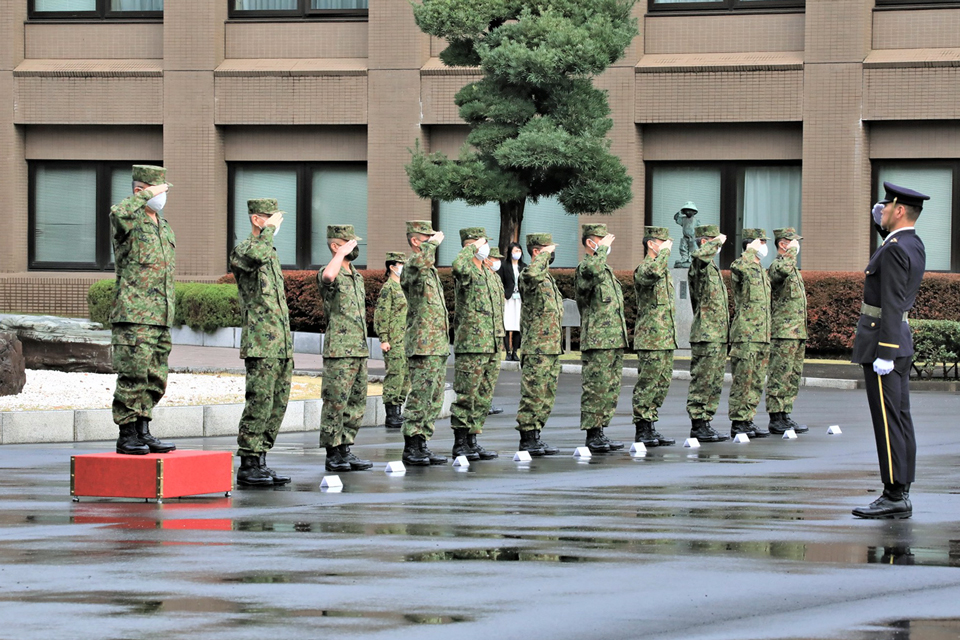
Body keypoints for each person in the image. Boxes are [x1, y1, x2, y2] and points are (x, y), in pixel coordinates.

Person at [851, 182, 928, 519]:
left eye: (885, 207)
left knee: (887, 420)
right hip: (899, 339)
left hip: (885, 341)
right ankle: (902, 486)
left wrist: (884, 351)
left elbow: (893, 301)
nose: (879, 210)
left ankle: (894, 493)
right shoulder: (911, 242)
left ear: (899, 210)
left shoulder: (895, 247)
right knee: (900, 418)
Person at [109, 164, 177, 456]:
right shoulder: (129, 219)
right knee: (133, 375)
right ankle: (127, 434)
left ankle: (143, 430)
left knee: (154, 377)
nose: (163, 197)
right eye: (159, 191)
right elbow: (117, 213)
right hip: (134, 314)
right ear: (141, 191)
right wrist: (141, 196)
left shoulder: (163, 225)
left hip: (160, 316)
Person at [230, 198, 293, 486]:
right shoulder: (245, 250)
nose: (276, 224)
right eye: (271, 218)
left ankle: (262, 459)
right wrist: (267, 232)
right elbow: (255, 255)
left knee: (277, 403)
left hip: (279, 343)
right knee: (259, 400)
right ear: (257, 220)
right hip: (260, 342)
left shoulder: (270, 253)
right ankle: (248, 462)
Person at [317, 225, 373, 473]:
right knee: (335, 403)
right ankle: (333, 453)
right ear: (335, 245)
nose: (355, 247)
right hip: (339, 350)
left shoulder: (356, 275)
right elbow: (328, 277)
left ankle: (345, 449)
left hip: (358, 349)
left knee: (355, 403)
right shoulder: (330, 271)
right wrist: (339, 255)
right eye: (349, 243)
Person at [449, 228, 502, 460]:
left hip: (491, 343)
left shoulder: (488, 273)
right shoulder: (467, 270)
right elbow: (458, 266)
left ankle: (473, 440)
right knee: (466, 395)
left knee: (483, 395)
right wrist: (469, 248)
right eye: (480, 243)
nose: (485, 247)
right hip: (471, 343)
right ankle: (460, 442)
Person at [400, 220, 449, 466]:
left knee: (434, 397)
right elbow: (419, 263)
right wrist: (431, 246)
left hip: (436, 344)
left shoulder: (429, 270)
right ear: (415, 241)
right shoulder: (412, 265)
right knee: (420, 395)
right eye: (426, 238)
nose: (433, 241)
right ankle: (412, 446)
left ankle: (422, 443)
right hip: (422, 343)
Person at [576, 223, 628, 453]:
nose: (608, 243)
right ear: (591, 242)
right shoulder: (587, 267)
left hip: (612, 339)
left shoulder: (604, 269)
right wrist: (602, 251)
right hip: (597, 339)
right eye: (602, 239)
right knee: (596, 388)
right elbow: (593, 272)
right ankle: (592, 434)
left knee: (609, 389)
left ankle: (601, 431)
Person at [514, 233, 562, 456]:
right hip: (537, 346)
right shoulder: (529, 274)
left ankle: (536, 436)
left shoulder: (546, 277)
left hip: (550, 346)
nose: (553, 254)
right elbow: (533, 272)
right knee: (534, 393)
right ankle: (528, 438)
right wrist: (542, 256)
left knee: (546, 394)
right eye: (549, 250)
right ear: (537, 252)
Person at [632, 226, 677, 447]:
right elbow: (653, 273)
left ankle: (651, 425)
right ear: (652, 243)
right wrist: (666, 253)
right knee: (647, 383)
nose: (667, 246)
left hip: (665, 337)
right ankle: (642, 428)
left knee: (662, 383)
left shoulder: (662, 269)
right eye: (663, 242)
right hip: (650, 338)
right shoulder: (645, 268)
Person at [686, 224, 731, 443]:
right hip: (705, 334)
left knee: (714, 381)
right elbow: (698, 256)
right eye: (714, 241)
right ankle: (698, 423)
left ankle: (706, 421)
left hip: (718, 334)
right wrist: (716, 241)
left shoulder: (712, 267)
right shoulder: (699, 265)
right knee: (703, 381)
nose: (720, 244)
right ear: (705, 242)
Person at [727, 228, 772, 439]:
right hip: (746, 334)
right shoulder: (741, 265)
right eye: (761, 242)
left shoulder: (761, 270)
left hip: (762, 335)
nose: (764, 246)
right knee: (743, 380)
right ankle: (738, 422)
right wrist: (748, 251)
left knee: (756, 381)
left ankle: (748, 419)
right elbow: (738, 268)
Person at [765, 228, 809, 435]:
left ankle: (785, 414)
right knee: (779, 375)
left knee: (792, 376)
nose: (797, 246)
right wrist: (790, 253)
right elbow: (780, 272)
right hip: (783, 331)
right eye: (792, 242)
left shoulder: (792, 268)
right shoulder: (778, 265)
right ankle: (775, 416)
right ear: (783, 244)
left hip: (797, 331)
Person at [374, 251, 409, 429]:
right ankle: (391, 413)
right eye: (400, 264)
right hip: (394, 340)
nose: (403, 267)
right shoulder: (388, 288)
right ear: (391, 267)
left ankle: (398, 409)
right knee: (394, 375)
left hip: (405, 340)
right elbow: (382, 314)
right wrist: (384, 338)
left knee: (405, 376)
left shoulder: (403, 287)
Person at [500, 242, 526, 361]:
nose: (517, 253)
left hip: (520, 299)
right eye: (515, 251)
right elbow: (500, 281)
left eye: (519, 251)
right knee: (507, 324)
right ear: (510, 252)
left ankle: (515, 351)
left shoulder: (524, 266)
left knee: (517, 325)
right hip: (508, 298)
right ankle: (508, 352)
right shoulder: (504, 265)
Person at [673, 201, 699, 268]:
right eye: (686, 211)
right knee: (683, 248)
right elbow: (676, 218)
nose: (688, 212)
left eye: (690, 211)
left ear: (694, 212)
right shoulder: (683, 219)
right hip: (685, 237)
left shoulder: (696, 220)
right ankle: (684, 258)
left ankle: (692, 260)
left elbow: (699, 228)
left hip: (693, 237)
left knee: (693, 249)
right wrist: (678, 213)